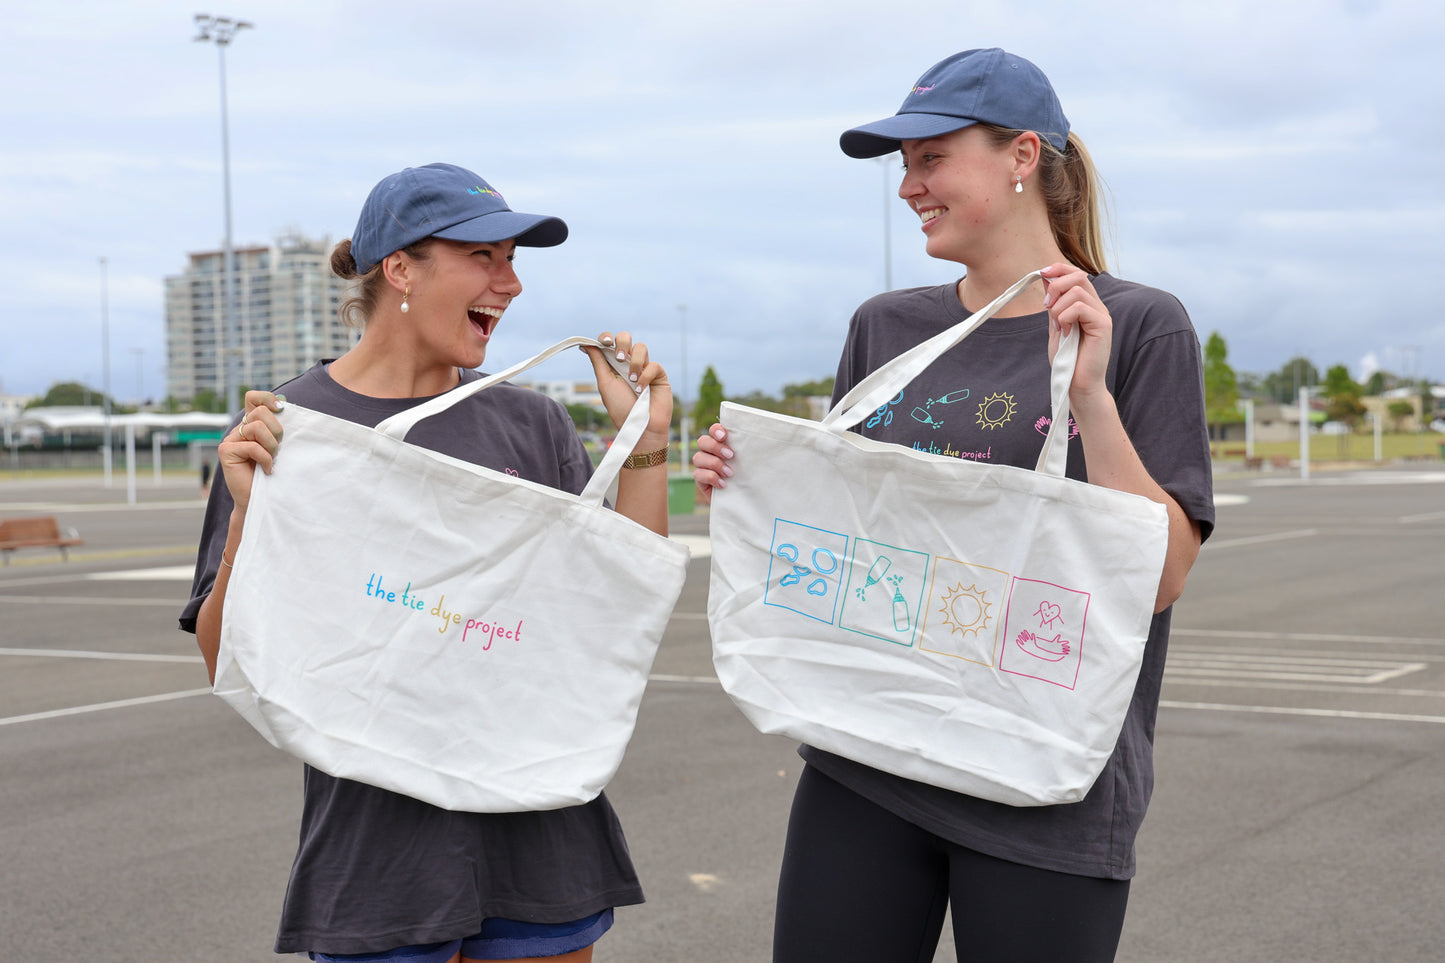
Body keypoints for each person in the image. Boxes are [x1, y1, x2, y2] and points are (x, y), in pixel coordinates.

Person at [693, 49, 1214, 962]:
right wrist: (747, 483)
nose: (908, 186)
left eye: (930, 158)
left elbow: (1161, 575)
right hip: (868, 753)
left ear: (1021, 156)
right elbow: (844, 542)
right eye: (902, 165)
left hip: (1044, 776)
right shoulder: (885, 327)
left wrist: (1089, 397)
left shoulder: (1137, 323)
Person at [180, 162, 673, 963]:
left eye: (514, 258)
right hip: (379, 850)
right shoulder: (289, 428)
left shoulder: (530, 422)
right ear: (399, 267)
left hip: (539, 828)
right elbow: (222, 657)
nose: (510, 283)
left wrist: (645, 446)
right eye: (485, 256)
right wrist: (245, 513)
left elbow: (618, 604)